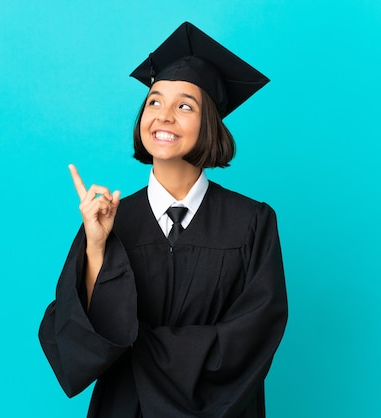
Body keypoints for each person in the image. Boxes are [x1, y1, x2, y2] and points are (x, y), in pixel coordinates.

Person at [39, 22, 288, 417]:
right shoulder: (109, 220)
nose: (163, 116)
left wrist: (141, 348)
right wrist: (98, 247)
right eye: (154, 101)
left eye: (184, 105)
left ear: (211, 123)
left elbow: (252, 338)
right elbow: (76, 341)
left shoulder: (252, 222)